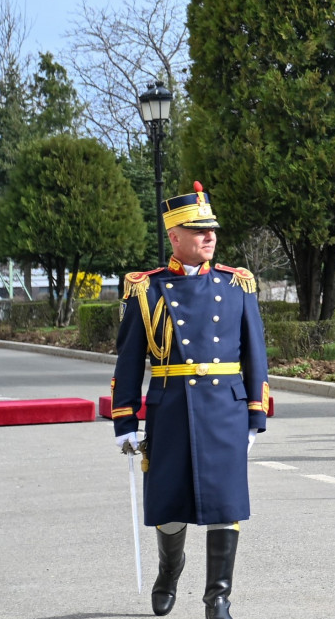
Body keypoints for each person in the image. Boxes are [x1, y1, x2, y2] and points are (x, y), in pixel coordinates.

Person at [111, 184, 272, 619]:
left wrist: (256, 415)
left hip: (225, 409)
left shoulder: (236, 284)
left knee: (225, 502)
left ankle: (217, 598)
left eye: (211, 229)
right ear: (174, 237)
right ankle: (170, 569)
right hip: (171, 409)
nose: (208, 236)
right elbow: (128, 363)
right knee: (169, 502)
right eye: (197, 229)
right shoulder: (147, 290)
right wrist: (125, 420)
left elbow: (255, 353)